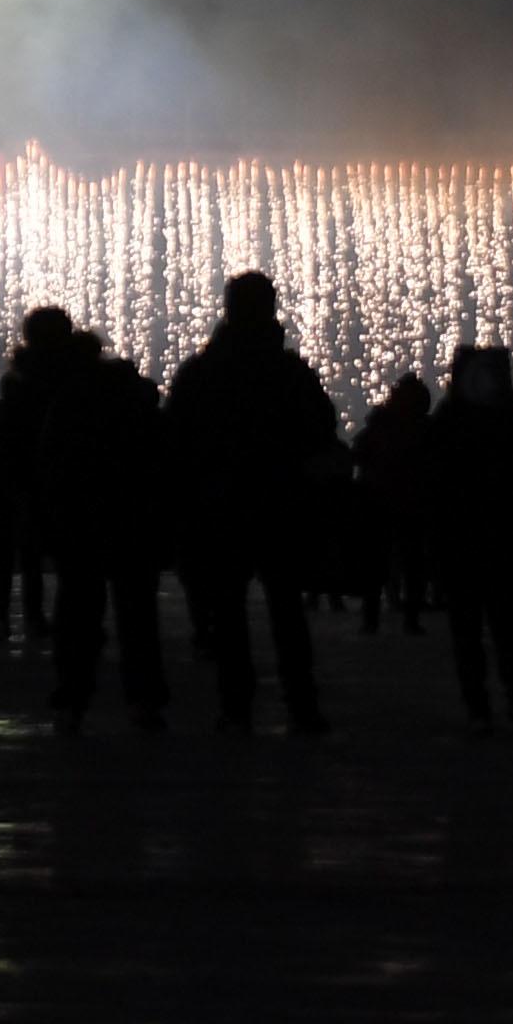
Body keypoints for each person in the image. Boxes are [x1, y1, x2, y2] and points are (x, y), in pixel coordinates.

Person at [164, 273, 342, 733]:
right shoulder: (288, 372)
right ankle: (301, 704)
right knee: (286, 609)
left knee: (228, 612)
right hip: (281, 502)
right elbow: (321, 427)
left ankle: (236, 705)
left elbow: (175, 439)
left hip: (222, 505)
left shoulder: (202, 373)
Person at [41, 333, 171, 731]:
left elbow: (51, 463)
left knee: (78, 613)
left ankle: (73, 698)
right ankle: (143, 700)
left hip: (82, 521)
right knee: (137, 616)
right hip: (133, 519)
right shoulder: (133, 401)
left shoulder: (66, 403)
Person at [426, 343, 513, 733]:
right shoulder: (503, 421)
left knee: (469, 628)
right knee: (504, 624)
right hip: (496, 534)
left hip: (461, 536)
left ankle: (481, 708)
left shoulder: (449, 420)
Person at [0, 309, 84, 645]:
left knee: (6, 557)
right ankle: (48, 620)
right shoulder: (74, 385)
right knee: (49, 558)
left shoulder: (13, 398)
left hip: (9, 487)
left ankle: (4, 618)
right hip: (55, 485)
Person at [354, 375, 437, 635]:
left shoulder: (379, 426)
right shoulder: (424, 429)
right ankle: (407, 618)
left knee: (378, 563)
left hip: (383, 501)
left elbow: (359, 455)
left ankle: (372, 618)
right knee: (411, 564)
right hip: (410, 503)